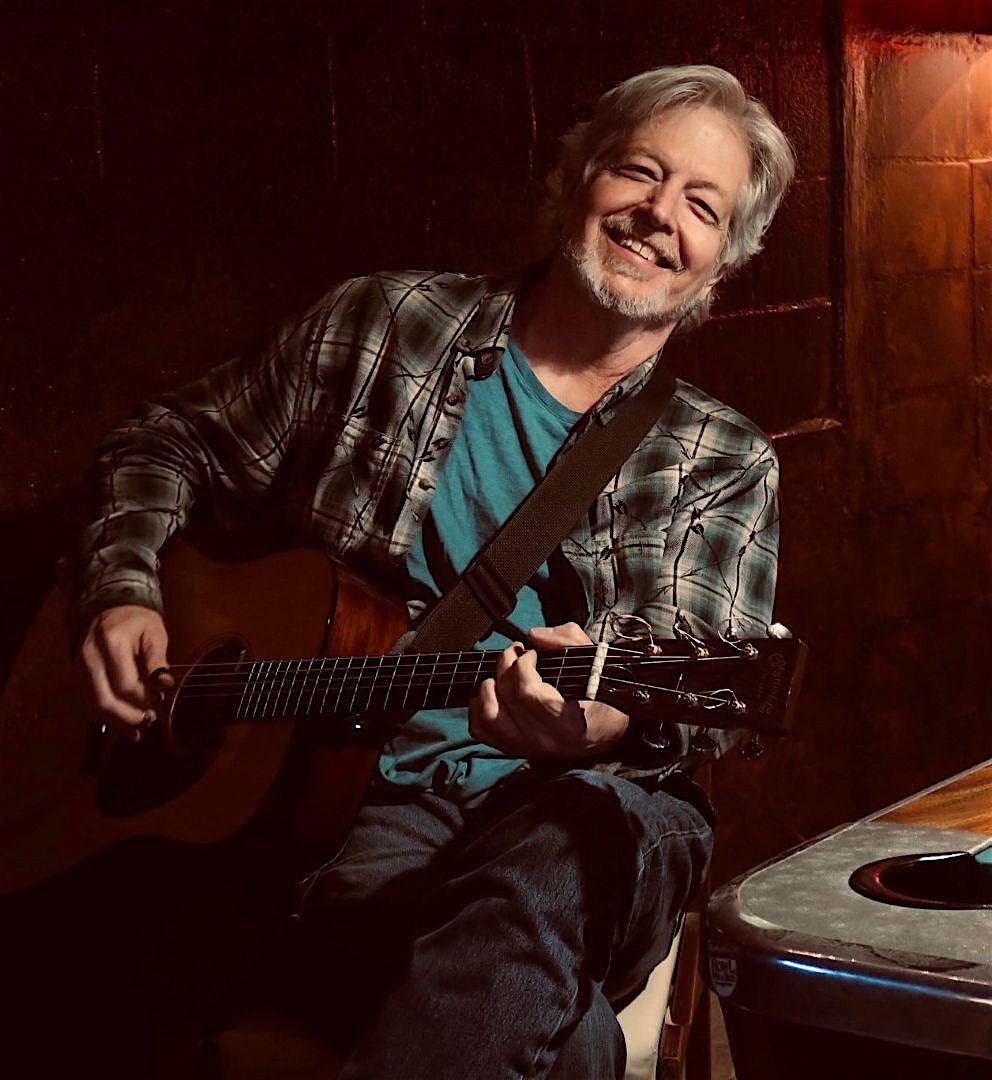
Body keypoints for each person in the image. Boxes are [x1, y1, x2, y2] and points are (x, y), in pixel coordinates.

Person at [74, 64, 795, 1078]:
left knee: (564, 845)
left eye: (702, 205)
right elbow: (168, 442)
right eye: (638, 171)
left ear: (722, 262)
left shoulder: (721, 459)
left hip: (600, 815)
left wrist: (597, 723)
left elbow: (688, 694)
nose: (658, 214)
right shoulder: (388, 326)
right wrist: (123, 589)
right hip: (377, 815)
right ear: (576, 177)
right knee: (565, 1041)